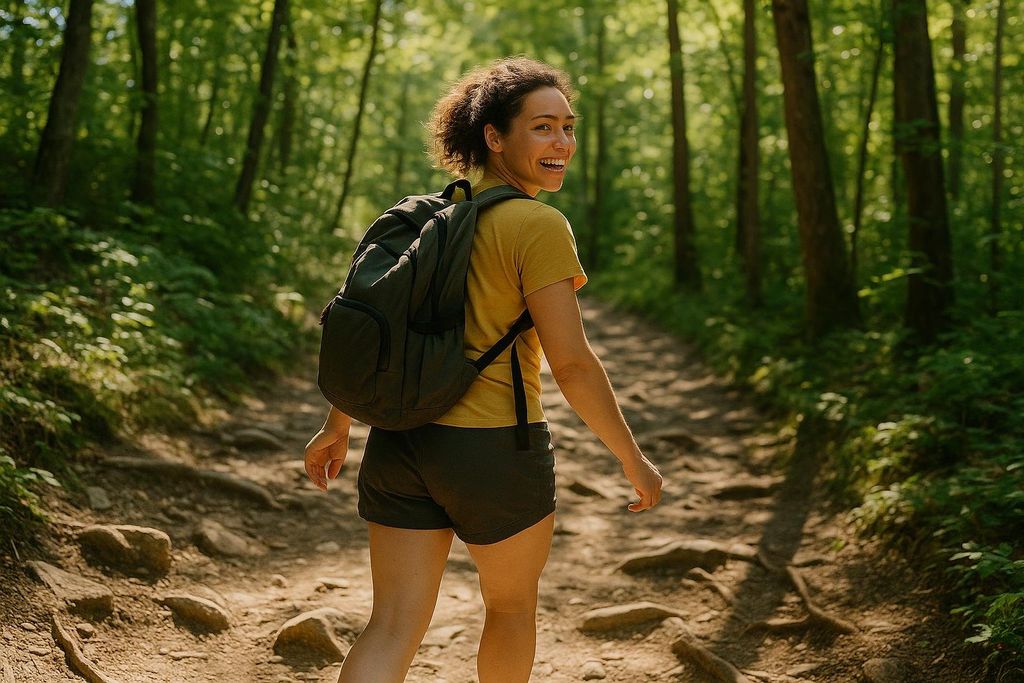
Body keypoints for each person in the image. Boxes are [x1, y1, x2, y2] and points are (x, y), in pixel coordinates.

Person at [304, 56, 663, 683]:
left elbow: (376, 328)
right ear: (494, 137)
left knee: (391, 624)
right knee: (511, 609)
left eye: (568, 128)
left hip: (400, 444)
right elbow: (572, 363)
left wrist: (340, 423)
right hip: (496, 451)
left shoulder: (425, 219)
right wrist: (631, 457)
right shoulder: (537, 225)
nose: (561, 143)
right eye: (542, 127)